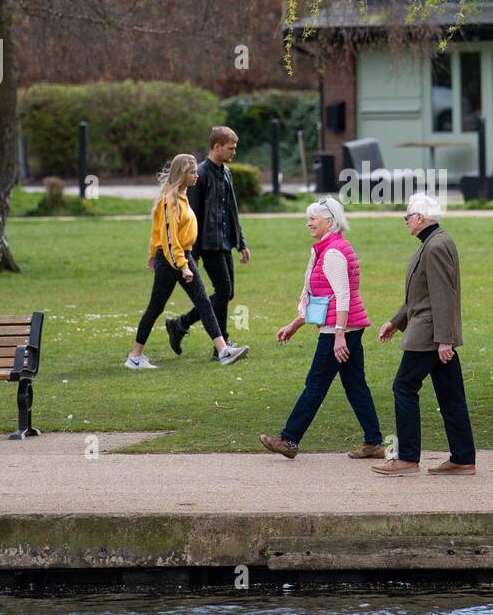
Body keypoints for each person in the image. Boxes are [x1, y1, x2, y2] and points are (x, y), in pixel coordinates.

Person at [259, 197, 385, 460]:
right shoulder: (328, 248)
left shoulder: (334, 253)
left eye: (313, 218)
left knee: (315, 384)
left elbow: (342, 296)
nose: (309, 223)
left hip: (338, 331)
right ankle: (373, 442)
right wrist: (297, 323)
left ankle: (289, 439)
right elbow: (320, 295)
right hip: (344, 328)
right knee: (355, 385)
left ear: (329, 221)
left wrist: (339, 334)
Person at [372, 193, 476, 476]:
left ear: (420, 218)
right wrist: (395, 321)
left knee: (403, 387)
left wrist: (445, 340)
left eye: (407, 217)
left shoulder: (435, 246)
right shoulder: (433, 243)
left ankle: (406, 458)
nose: (405, 221)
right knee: (451, 395)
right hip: (431, 332)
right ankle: (463, 458)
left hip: (428, 336)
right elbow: (421, 294)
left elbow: (443, 295)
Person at [126, 154, 248, 369]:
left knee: (204, 303)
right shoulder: (169, 200)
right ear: (182, 174)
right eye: (192, 173)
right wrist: (180, 265)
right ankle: (135, 357)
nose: (196, 176)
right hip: (173, 260)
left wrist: (160, 254)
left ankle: (223, 351)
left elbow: (161, 233)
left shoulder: (182, 196)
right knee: (156, 307)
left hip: (185, 255)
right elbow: (168, 237)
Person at [166, 126, 250, 361]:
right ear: (217, 147)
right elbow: (192, 215)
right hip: (208, 244)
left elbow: (231, 211)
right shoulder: (200, 174)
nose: (234, 152)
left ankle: (180, 323)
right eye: (231, 148)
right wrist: (193, 252)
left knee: (227, 292)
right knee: (223, 290)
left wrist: (241, 242)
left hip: (224, 243)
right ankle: (220, 345)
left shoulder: (226, 173)